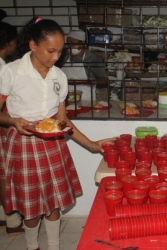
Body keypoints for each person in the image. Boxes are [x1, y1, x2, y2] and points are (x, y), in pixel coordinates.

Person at [0, 17, 115, 250]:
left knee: (53, 203)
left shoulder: (59, 77)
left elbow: (61, 121)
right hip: (22, 142)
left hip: (52, 142)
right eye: (51, 50)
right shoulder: (11, 73)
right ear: (33, 45)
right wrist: (13, 120)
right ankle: (32, 246)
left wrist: (91, 144)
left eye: (60, 51)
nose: (55, 57)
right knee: (30, 205)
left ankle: (54, 247)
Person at [0, 21, 25, 236]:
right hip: (3, 127)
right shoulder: (5, 69)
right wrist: (10, 122)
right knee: (4, 174)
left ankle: (2, 215)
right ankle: (11, 218)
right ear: (8, 42)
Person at [60, 30, 108, 102]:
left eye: (72, 43)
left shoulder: (92, 58)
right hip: (65, 99)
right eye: (68, 43)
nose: (69, 46)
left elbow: (104, 79)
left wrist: (93, 82)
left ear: (82, 43)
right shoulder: (63, 56)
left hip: (86, 99)